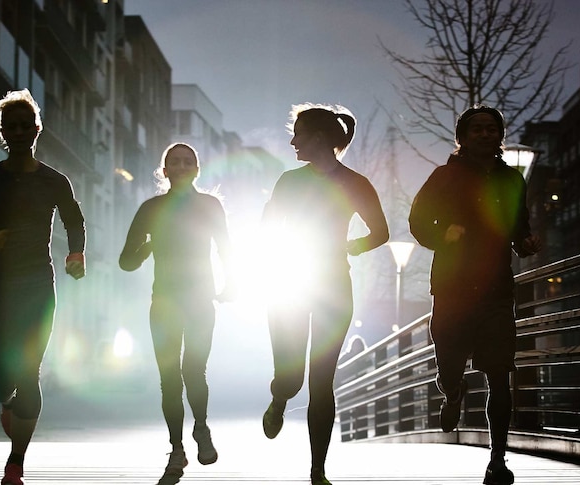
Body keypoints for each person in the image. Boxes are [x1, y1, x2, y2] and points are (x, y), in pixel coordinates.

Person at [0, 89, 86, 485]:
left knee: (29, 375)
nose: (21, 131)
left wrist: (75, 255)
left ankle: (15, 464)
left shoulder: (54, 181)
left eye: (27, 125)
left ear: (37, 129)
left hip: (38, 284)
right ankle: (6, 399)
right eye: (12, 126)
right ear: (2, 132)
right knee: (0, 382)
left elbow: (75, 221)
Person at [408, 105, 542, 485]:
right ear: (462, 137)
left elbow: (518, 227)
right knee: (450, 366)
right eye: (476, 129)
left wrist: (526, 243)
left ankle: (497, 459)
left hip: (497, 289)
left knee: (500, 375)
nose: (484, 134)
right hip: (452, 287)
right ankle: (452, 391)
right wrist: (441, 235)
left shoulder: (512, 181)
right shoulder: (444, 177)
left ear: (499, 136)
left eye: (491, 129)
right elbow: (418, 222)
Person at [261, 104, 389, 485]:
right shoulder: (289, 181)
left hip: (334, 288)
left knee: (321, 381)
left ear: (318, 139)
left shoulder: (356, 184)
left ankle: (318, 470)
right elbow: (268, 228)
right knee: (292, 378)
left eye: (298, 133)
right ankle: (280, 397)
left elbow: (380, 232)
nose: (292, 140)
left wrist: (354, 247)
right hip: (290, 284)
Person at [119, 143, 235, 485]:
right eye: (175, 162)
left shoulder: (210, 206)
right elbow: (126, 262)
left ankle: (201, 427)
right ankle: (177, 449)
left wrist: (233, 283)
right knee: (169, 379)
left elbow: (227, 248)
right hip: (164, 303)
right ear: (164, 171)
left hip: (201, 300)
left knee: (193, 371)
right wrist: (150, 245)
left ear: (197, 170)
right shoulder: (151, 209)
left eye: (189, 162)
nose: (182, 166)